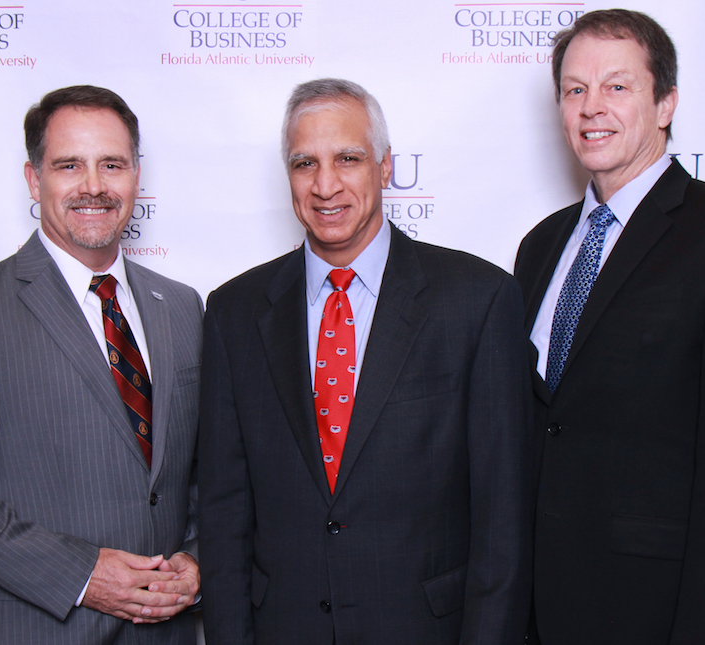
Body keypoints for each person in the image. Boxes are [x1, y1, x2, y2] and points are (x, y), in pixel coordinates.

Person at [198, 78, 532, 644]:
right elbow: (224, 513)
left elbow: (503, 521)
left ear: (385, 166)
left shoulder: (477, 300)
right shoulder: (234, 312)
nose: (325, 185)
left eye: (347, 159)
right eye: (305, 163)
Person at [514, 9, 705, 645]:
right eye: (574, 89)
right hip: (545, 615)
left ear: (666, 103)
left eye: (617, 86)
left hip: (665, 616)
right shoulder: (539, 247)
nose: (592, 106)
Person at [0, 85, 203, 645]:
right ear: (33, 179)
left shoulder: (182, 307)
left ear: (136, 177)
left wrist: (197, 556)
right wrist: (83, 575)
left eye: (111, 164)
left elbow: (206, 471)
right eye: (69, 165)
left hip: (167, 631)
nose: (93, 185)